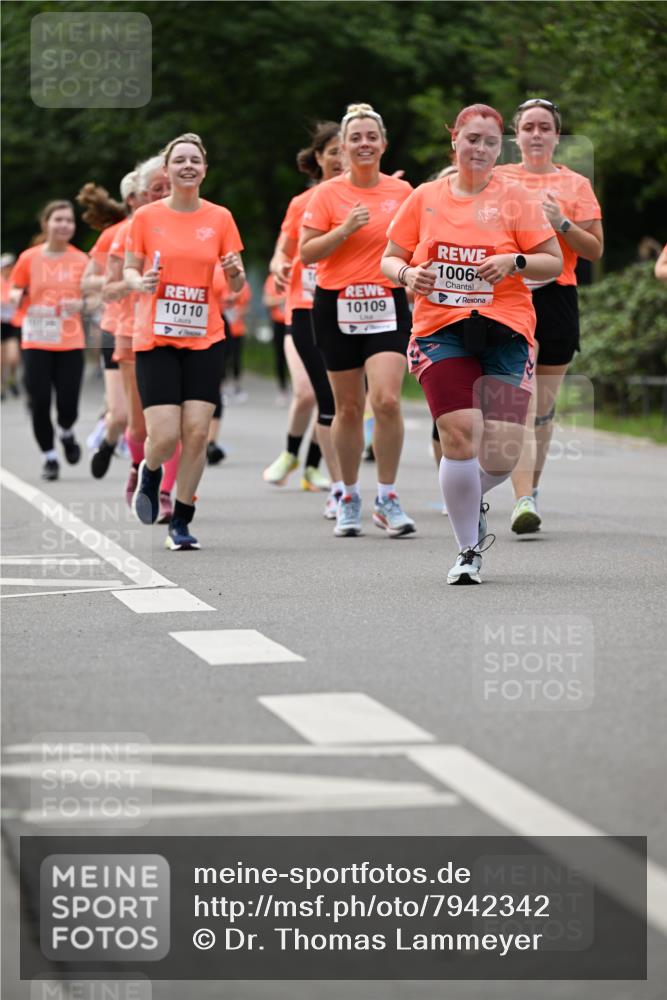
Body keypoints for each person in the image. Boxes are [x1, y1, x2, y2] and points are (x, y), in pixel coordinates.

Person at [382, 102, 562, 583]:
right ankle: (467, 551)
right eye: (471, 138)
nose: (479, 148)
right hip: (441, 329)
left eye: (488, 141)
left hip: (505, 329)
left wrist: (515, 264)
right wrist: (408, 273)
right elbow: (389, 258)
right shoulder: (424, 197)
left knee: (501, 455)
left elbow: (553, 262)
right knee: (459, 434)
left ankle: (464, 495)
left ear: (497, 147)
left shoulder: (516, 198)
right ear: (454, 141)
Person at [124, 132, 245, 550]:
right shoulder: (146, 218)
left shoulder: (220, 218)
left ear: (204, 169)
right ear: (167, 170)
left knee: (196, 433)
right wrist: (140, 281)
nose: (188, 166)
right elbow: (127, 271)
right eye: (180, 161)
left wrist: (233, 270)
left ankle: (181, 518)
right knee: (165, 436)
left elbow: (238, 279)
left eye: (195, 160)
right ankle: (150, 471)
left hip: (205, 337)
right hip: (155, 338)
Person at [301, 103, 415, 537]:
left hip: (386, 301)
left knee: (385, 399)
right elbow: (308, 253)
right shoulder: (326, 195)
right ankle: (348, 493)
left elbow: (418, 244)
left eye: (371, 136)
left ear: (383, 144)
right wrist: (344, 228)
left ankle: (387, 496)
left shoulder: (402, 195)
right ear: (343, 148)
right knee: (347, 407)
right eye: (356, 138)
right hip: (337, 304)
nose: (364, 144)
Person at [499, 98, 604, 534]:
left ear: (556, 136)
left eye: (545, 127)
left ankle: (531, 491)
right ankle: (521, 496)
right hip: (508, 296)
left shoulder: (576, 184)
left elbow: (594, 250)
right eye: (529, 127)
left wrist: (562, 223)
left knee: (542, 407)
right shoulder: (497, 179)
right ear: (516, 136)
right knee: (520, 402)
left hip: (557, 296)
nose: (537, 134)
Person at [266, 121, 344, 511]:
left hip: (354, 311)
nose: (341, 158)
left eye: (348, 149)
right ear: (319, 158)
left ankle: (317, 467)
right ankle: (326, 478)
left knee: (343, 402)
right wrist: (281, 263)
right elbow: (283, 250)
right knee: (315, 394)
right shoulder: (302, 204)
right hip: (306, 308)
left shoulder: (368, 199)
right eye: (333, 151)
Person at [103, 157, 179, 521]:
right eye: (156, 189)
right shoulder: (127, 231)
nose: (163, 194)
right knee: (139, 424)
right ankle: (138, 467)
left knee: (174, 422)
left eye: (168, 187)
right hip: (132, 330)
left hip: (179, 331)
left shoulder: (190, 223)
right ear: (141, 194)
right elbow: (108, 289)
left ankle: (164, 492)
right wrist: (137, 282)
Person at [9, 201, 88, 480]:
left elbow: (92, 298)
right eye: (58, 219)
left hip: (70, 339)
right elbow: (14, 288)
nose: (64, 225)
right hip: (36, 338)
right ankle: (49, 456)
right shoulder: (29, 258)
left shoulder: (81, 260)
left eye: (69, 220)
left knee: (68, 403)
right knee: (40, 400)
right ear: (46, 223)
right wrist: (17, 296)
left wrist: (81, 304)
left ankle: (66, 431)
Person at [77, 180, 129, 478]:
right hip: (116, 324)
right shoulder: (114, 234)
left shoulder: (170, 228)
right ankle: (109, 435)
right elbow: (88, 280)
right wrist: (121, 280)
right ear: (132, 199)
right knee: (120, 413)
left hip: (158, 331)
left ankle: (147, 474)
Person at [262, 271, 288, 403]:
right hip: (279, 323)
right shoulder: (272, 278)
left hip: (296, 321)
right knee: (280, 357)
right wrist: (283, 299)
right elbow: (267, 301)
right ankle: (282, 388)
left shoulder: (299, 272)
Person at [1, 252, 21, 399]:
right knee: (1, 359)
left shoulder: (15, 281)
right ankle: (2, 385)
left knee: (13, 357)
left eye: (10, 266)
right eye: (5, 267)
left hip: (13, 323)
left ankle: (12, 378)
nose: (8, 269)